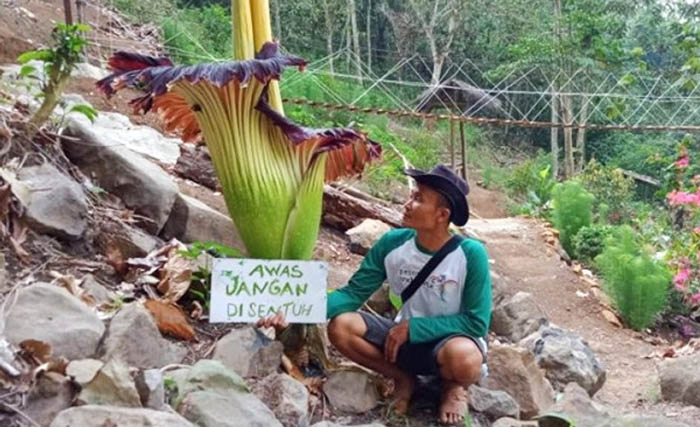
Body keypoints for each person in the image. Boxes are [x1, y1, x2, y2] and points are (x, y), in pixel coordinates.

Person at [258, 164, 492, 425]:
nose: (407, 203)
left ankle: (453, 388)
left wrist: (414, 328)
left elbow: (476, 322)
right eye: (411, 195)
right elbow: (352, 294)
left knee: (466, 359)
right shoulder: (393, 244)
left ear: (441, 214)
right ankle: (403, 378)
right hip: (401, 341)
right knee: (342, 326)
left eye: (418, 199)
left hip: (447, 343)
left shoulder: (470, 254)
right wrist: (296, 309)